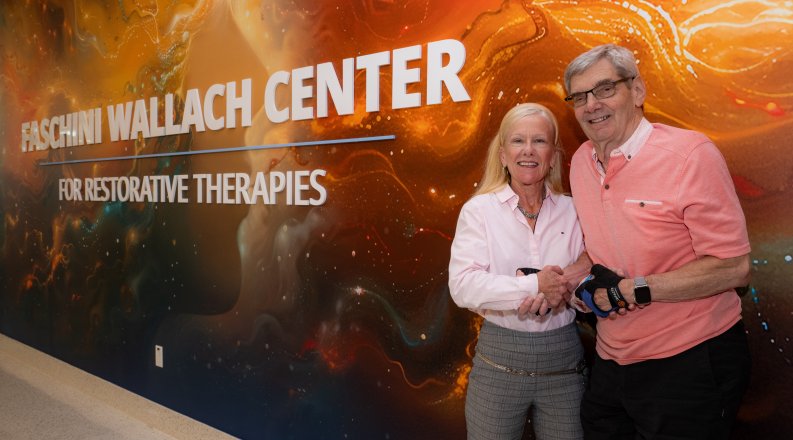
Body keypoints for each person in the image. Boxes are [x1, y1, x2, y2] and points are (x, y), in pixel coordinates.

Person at [563, 44, 752, 439]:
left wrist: (634, 290)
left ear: (638, 90)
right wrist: (568, 278)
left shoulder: (690, 154)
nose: (591, 105)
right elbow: (601, 246)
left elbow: (733, 267)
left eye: (604, 89)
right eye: (580, 97)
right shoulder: (581, 162)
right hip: (611, 362)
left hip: (690, 361)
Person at [449, 103, 591, 440]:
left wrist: (572, 290)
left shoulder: (575, 211)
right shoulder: (479, 211)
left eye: (539, 141)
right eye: (517, 141)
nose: (528, 150)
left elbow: (591, 274)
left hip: (565, 364)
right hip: (498, 362)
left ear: (554, 156)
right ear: (502, 154)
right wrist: (533, 286)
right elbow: (463, 286)